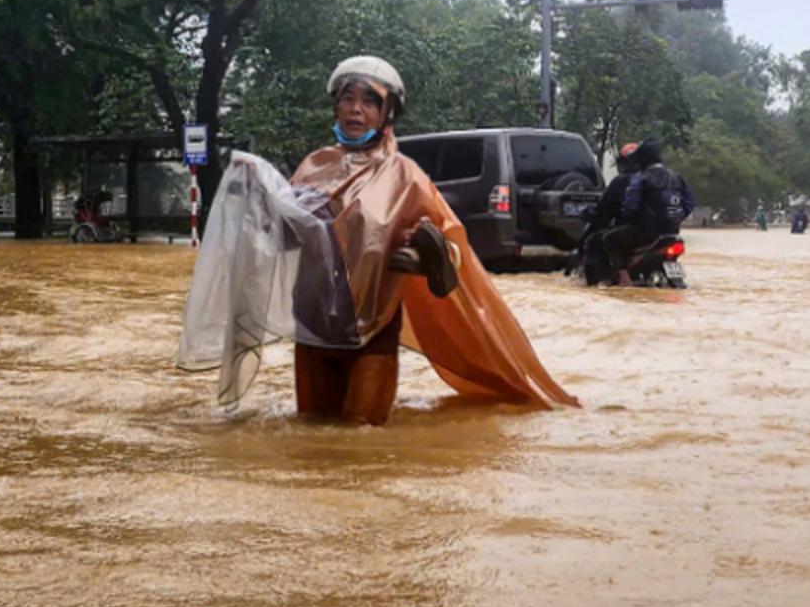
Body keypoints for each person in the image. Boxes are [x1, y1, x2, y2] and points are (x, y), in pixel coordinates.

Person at [177, 55, 577, 423]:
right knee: (314, 436)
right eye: (347, 99)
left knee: (360, 436)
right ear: (335, 106)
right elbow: (286, 240)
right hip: (313, 324)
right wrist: (256, 201)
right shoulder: (313, 166)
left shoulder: (406, 176)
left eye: (369, 101)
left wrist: (425, 255)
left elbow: (453, 248)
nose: (355, 109)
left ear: (387, 113)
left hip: (372, 329)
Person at [601, 139, 695, 288]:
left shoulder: (641, 178)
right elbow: (690, 203)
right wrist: (676, 218)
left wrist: (629, 219)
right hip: (672, 233)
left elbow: (631, 207)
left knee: (609, 239)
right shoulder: (676, 177)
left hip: (645, 232)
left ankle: (624, 279)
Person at [577, 142, 641, 285]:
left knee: (594, 242)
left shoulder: (622, 182)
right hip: (660, 232)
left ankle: (600, 281)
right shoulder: (659, 178)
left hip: (630, 231)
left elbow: (603, 209)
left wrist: (588, 214)